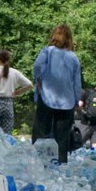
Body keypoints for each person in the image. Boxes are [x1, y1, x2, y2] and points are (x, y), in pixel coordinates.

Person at [32, 23, 81, 163]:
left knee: (41, 132)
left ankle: (38, 161)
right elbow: (76, 83)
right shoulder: (73, 57)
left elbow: (37, 66)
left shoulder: (47, 51)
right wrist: (76, 100)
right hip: (66, 101)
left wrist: (39, 80)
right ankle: (61, 164)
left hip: (47, 96)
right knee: (62, 137)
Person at [0, 49, 33, 135]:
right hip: (8, 104)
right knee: (7, 133)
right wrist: (17, 92)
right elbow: (29, 85)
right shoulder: (15, 72)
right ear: (9, 59)